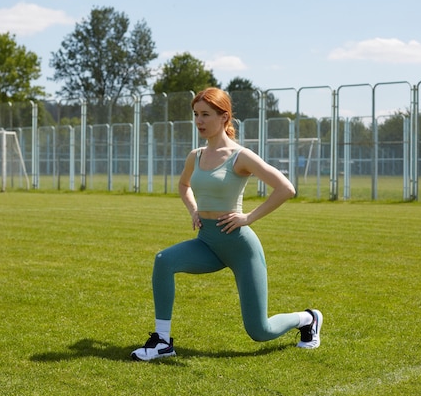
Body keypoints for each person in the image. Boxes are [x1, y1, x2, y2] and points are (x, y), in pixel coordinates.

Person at [131, 87, 322, 361]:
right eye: (196, 114)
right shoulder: (195, 156)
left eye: (206, 114)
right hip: (207, 242)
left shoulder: (239, 156)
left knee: (260, 330)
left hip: (239, 246)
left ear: (224, 117)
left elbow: (286, 188)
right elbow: (184, 185)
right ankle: (162, 342)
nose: (199, 121)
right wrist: (193, 209)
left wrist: (248, 218)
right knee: (164, 260)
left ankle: (308, 318)